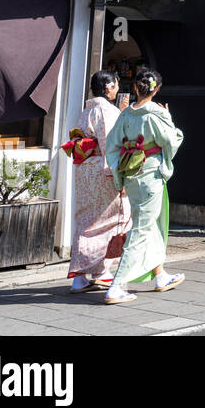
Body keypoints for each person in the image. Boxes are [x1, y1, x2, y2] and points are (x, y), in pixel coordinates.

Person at [102, 68, 185, 304]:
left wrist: (120, 177)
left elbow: (112, 146)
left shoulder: (127, 114)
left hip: (132, 174)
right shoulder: (157, 114)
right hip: (150, 175)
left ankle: (160, 275)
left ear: (136, 88)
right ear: (156, 89)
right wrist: (170, 120)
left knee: (148, 224)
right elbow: (171, 141)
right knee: (141, 229)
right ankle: (116, 286)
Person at [63, 71, 132, 293]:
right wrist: (119, 176)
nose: (117, 88)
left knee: (86, 220)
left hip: (85, 170)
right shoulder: (106, 110)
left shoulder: (88, 110)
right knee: (112, 220)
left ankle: (80, 276)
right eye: (116, 84)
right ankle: (101, 272)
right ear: (109, 86)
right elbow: (111, 145)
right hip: (104, 170)